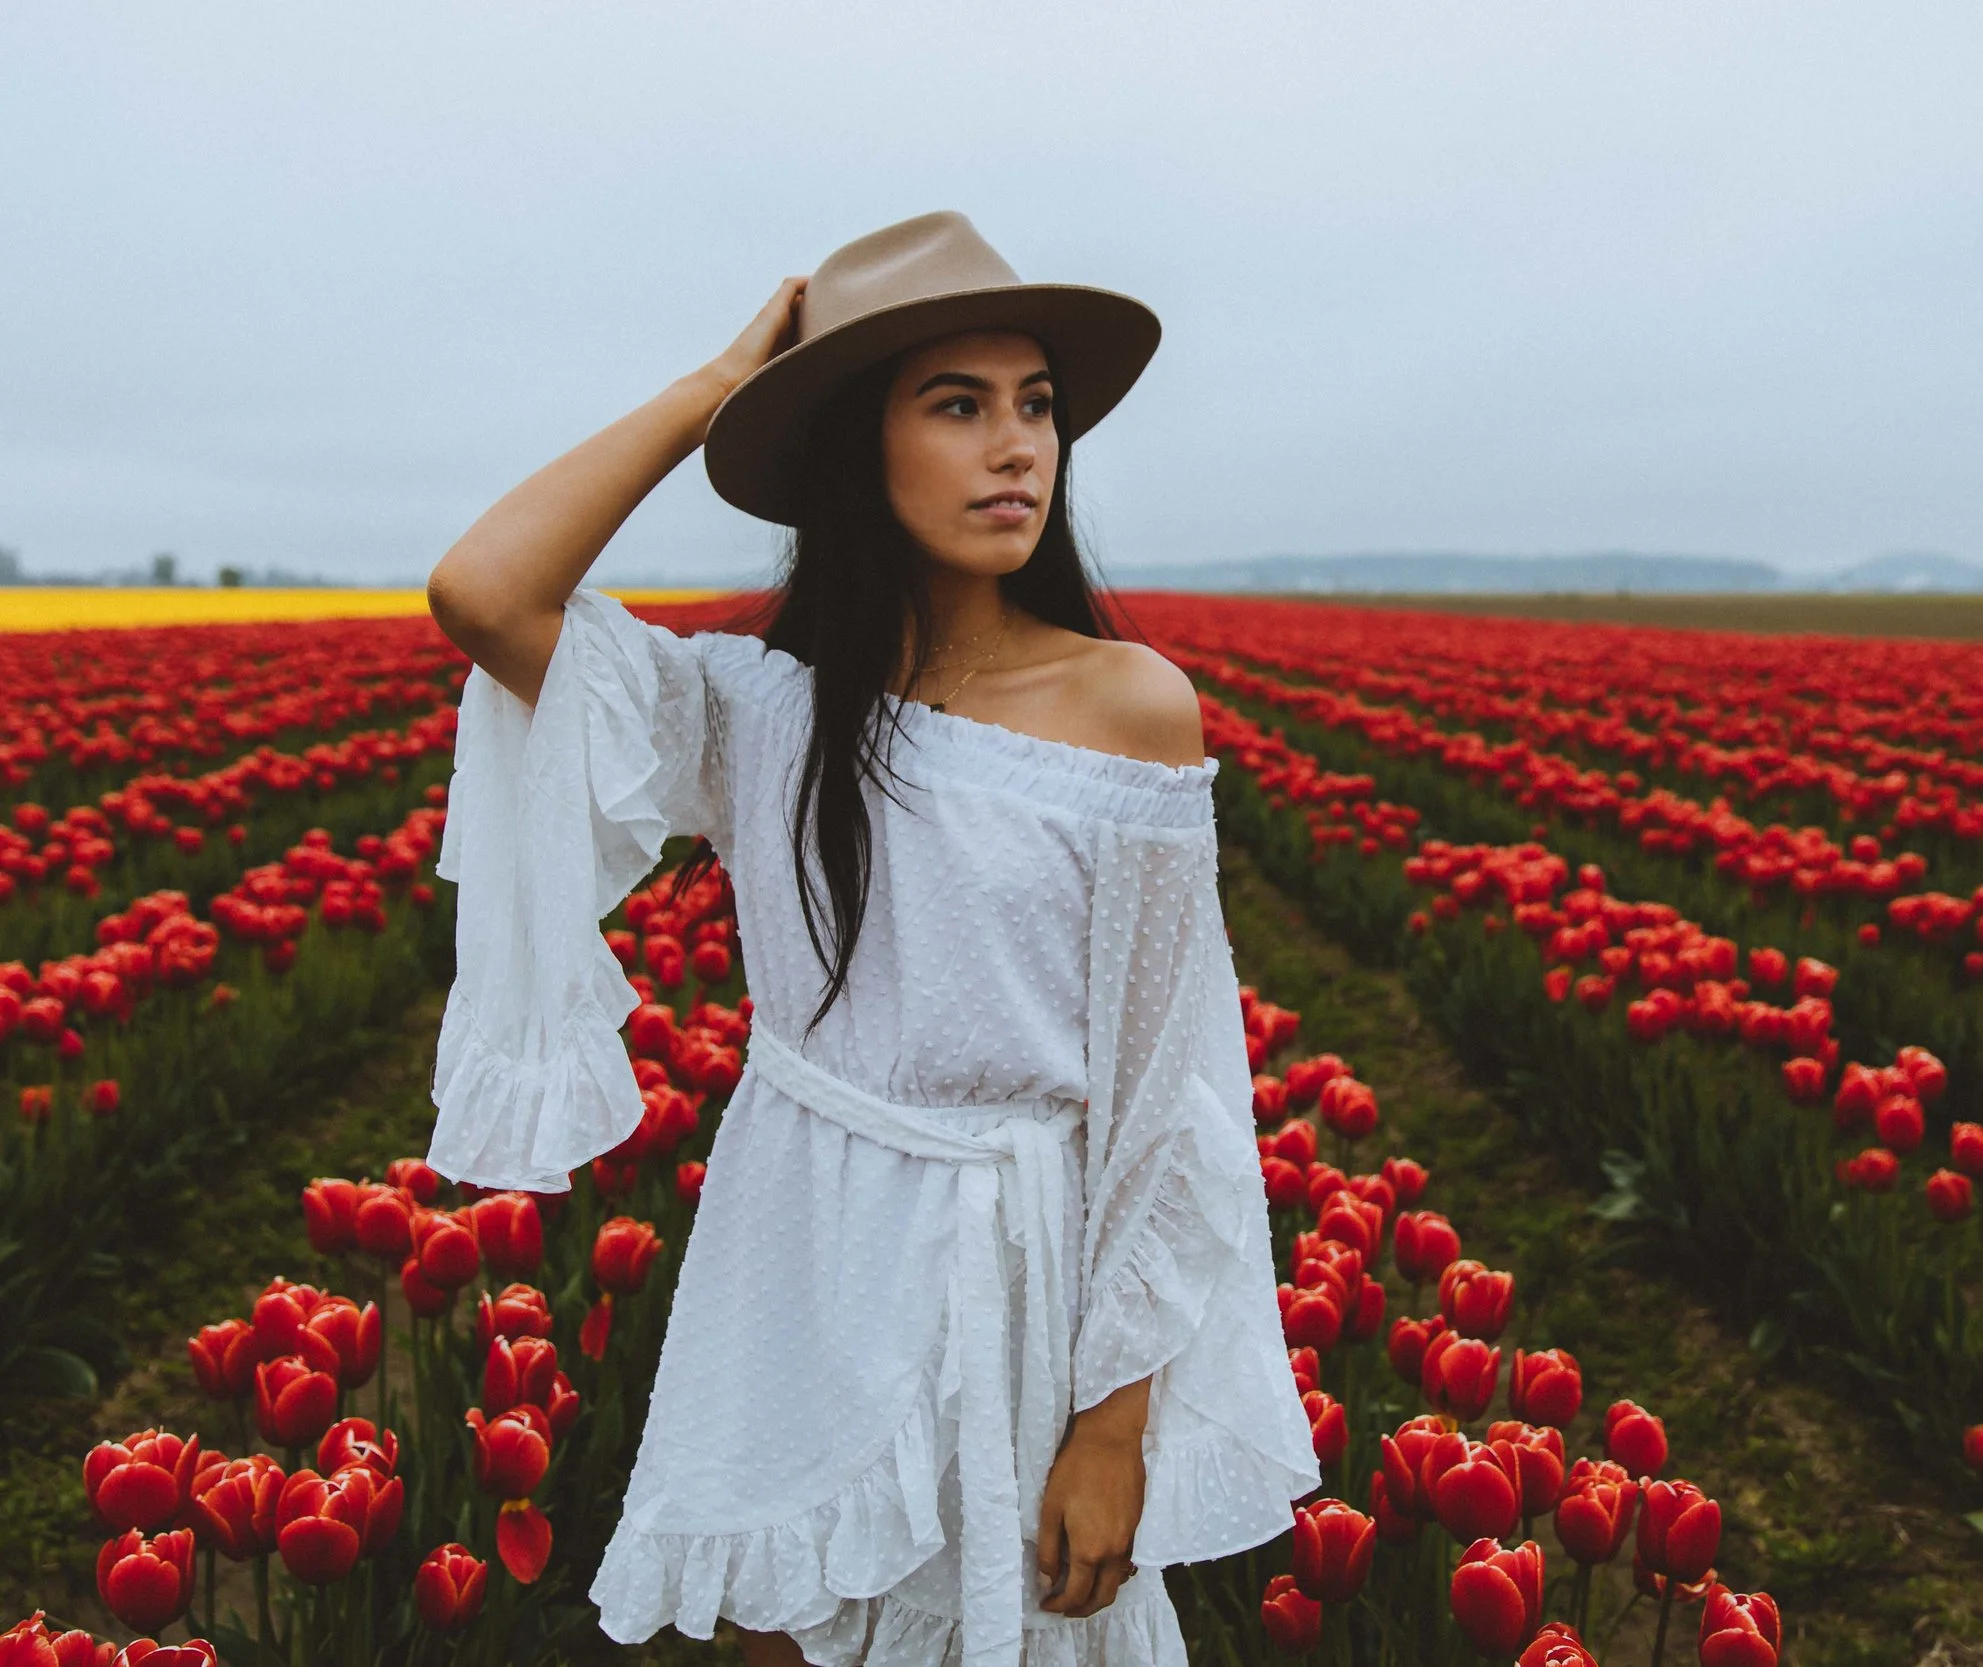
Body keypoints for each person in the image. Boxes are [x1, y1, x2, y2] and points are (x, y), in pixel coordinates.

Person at [421, 212, 1318, 1666]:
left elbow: (1171, 1098)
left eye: (1036, 405)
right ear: (859, 447)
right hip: (802, 1252)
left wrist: (1112, 1422)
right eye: (957, 406)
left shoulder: (1131, 706)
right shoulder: (761, 714)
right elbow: (487, 591)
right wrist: (715, 392)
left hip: (1023, 1268)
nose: (1017, 446)